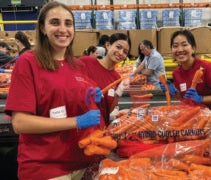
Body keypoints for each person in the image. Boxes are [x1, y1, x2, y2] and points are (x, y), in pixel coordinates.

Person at [4, 2, 103, 179]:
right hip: (45, 166)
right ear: (42, 28)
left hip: (83, 162)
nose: (63, 29)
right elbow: (20, 123)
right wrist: (77, 121)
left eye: (68, 23)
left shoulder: (77, 65)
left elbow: (71, 103)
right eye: (55, 22)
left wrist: (89, 100)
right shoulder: (28, 62)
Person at [162, 30, 211, 117]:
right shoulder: (176, 74)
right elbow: (186, 99)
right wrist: (174, 92)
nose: (179, 49)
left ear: (193, 48)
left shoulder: (206, 68)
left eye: (184, 45)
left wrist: (201, 99)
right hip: (196, 119)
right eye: (175, 46)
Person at [79, 33, 131, 127]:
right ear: (108, 45)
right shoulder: (86, 63)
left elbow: (108, 109)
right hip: (80, 125)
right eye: (118, 47)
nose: (120, 53)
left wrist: (118, 93)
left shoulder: (117, 78)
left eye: (125, 52)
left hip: (100, 129)